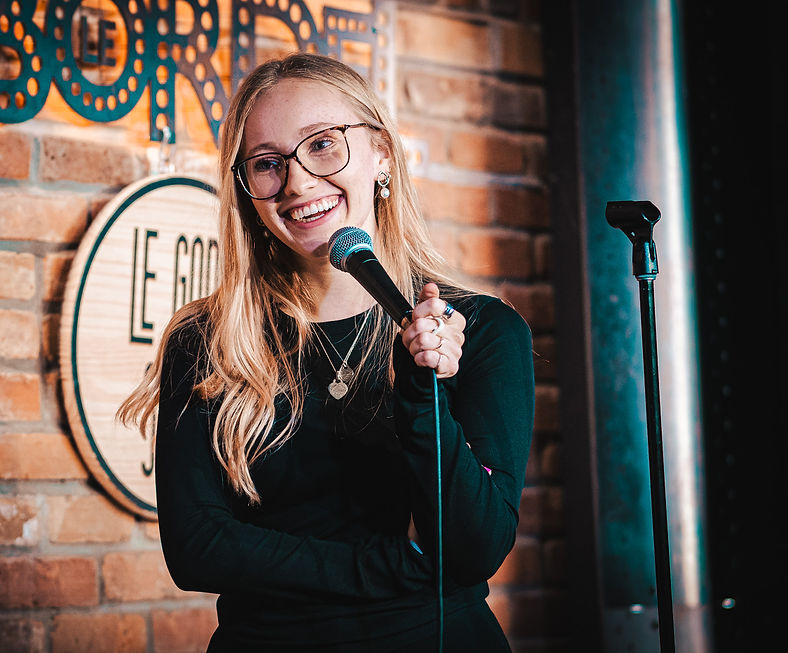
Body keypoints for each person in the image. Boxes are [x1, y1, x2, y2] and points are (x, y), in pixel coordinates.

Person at [119, 52, 535, 652]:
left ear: (382, 152)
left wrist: (421, 393)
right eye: (267, 164)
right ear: (246, 191)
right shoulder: (207, 340)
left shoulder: (482, 330)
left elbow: (474, 548)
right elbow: (198, 548)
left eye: (322, 145)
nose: (297, 183)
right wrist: (398, 564)